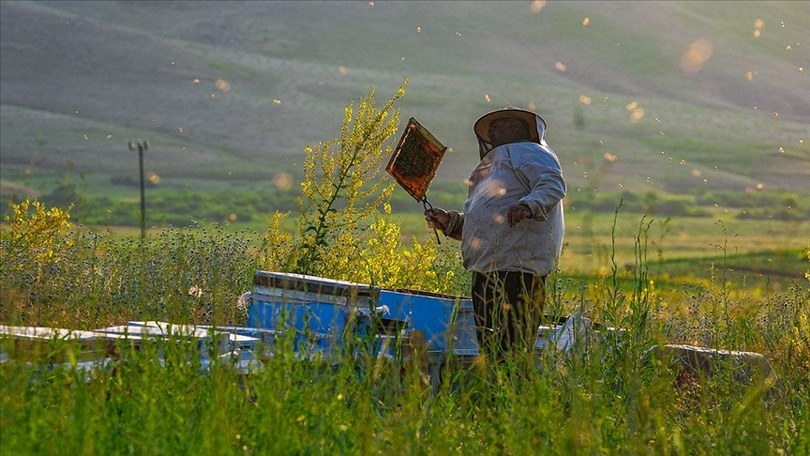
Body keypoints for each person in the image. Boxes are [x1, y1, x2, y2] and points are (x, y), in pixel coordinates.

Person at [425, 107, 566, 361]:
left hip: (518, 273)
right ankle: (498, 388)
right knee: (493, 354)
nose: (495, 130)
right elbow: (489, 222)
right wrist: (452, 223)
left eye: (505, 124)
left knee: (511, 353)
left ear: (521, 130)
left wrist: (529, 205)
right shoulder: (494, 168)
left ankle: (512, 388)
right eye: (493, 127)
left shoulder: (530, 152)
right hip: (487, 273)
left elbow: (552, 184)